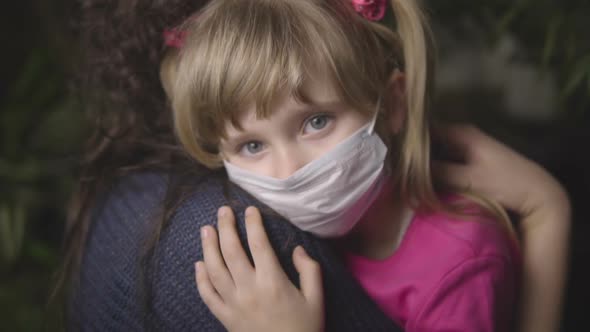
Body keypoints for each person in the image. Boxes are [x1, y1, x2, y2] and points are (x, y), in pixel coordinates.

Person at [64, 0, 569, 331]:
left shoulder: (460, 264)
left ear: (393, 103)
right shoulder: (287, 230)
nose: (288, 170)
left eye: (316, 122)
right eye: (252, 147)